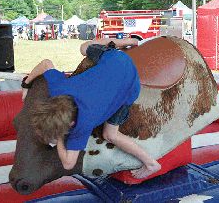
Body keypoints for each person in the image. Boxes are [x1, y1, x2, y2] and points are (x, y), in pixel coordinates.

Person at [21, 38, 161, 179]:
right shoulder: (59, 88)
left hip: (129, 84)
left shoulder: (82, 126)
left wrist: (59, 139)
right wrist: (26, 83)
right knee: (84, 48)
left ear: (71, 125)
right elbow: (46, 63)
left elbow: (68, 163)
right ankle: (130, 41)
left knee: (110, 135)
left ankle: (151, 164)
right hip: (117, 60)